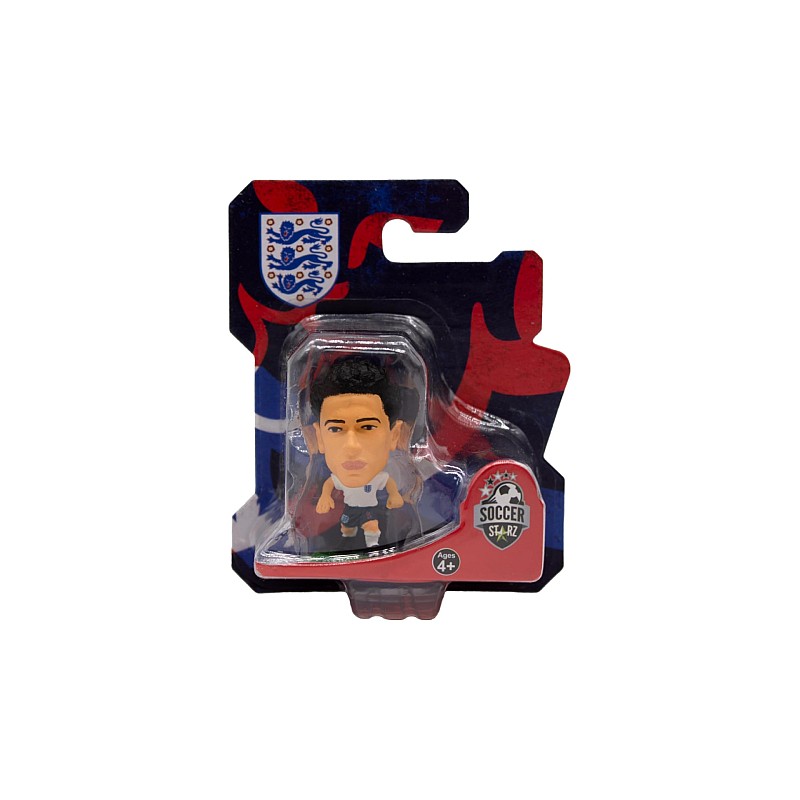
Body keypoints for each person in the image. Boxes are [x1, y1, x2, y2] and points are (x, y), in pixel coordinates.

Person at [311, 357, 405, 548]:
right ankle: (348, 542)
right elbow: (330, 484)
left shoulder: (379, 478)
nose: (351, 446)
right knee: (346, 527)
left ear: (394, 436)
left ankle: (372, 547)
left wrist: (395, 495)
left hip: (369, 510)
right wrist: (325, 496)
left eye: (368, 427)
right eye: (336, 429)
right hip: (350, 510)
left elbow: (388, 483)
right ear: (320, 438)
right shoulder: (337, 478)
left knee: (371, 526)